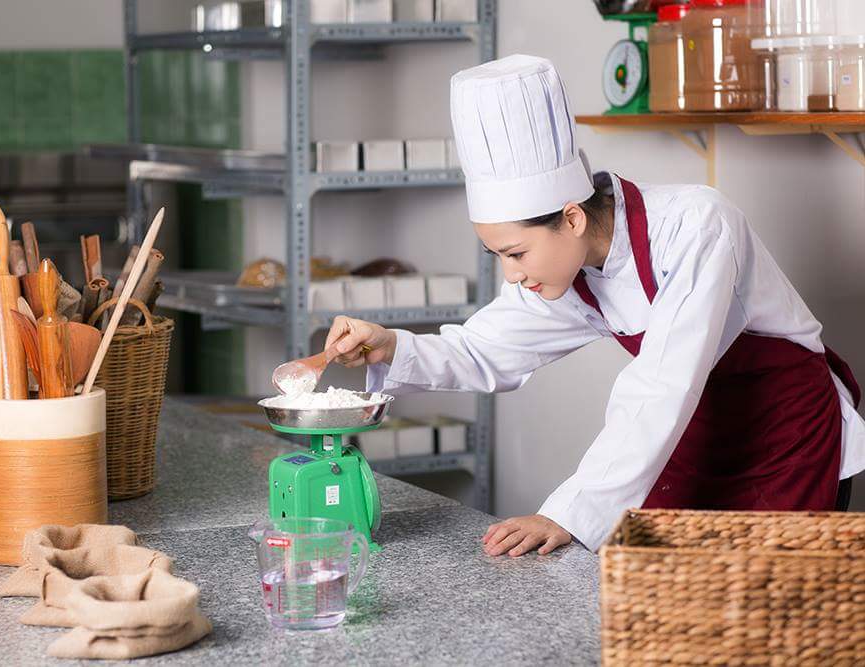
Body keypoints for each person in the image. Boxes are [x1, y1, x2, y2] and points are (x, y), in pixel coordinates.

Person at [324, 55, 865, 556]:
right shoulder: (568, 270)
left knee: (765, 610)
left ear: (572, 218)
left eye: (516, 253)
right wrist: (391, 347)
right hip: (695, 433)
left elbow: (663, 382)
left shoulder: (695, 225)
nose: (511, 275)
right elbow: (485, 349)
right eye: (498, 255)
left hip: (783, 436)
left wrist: (568, 513)